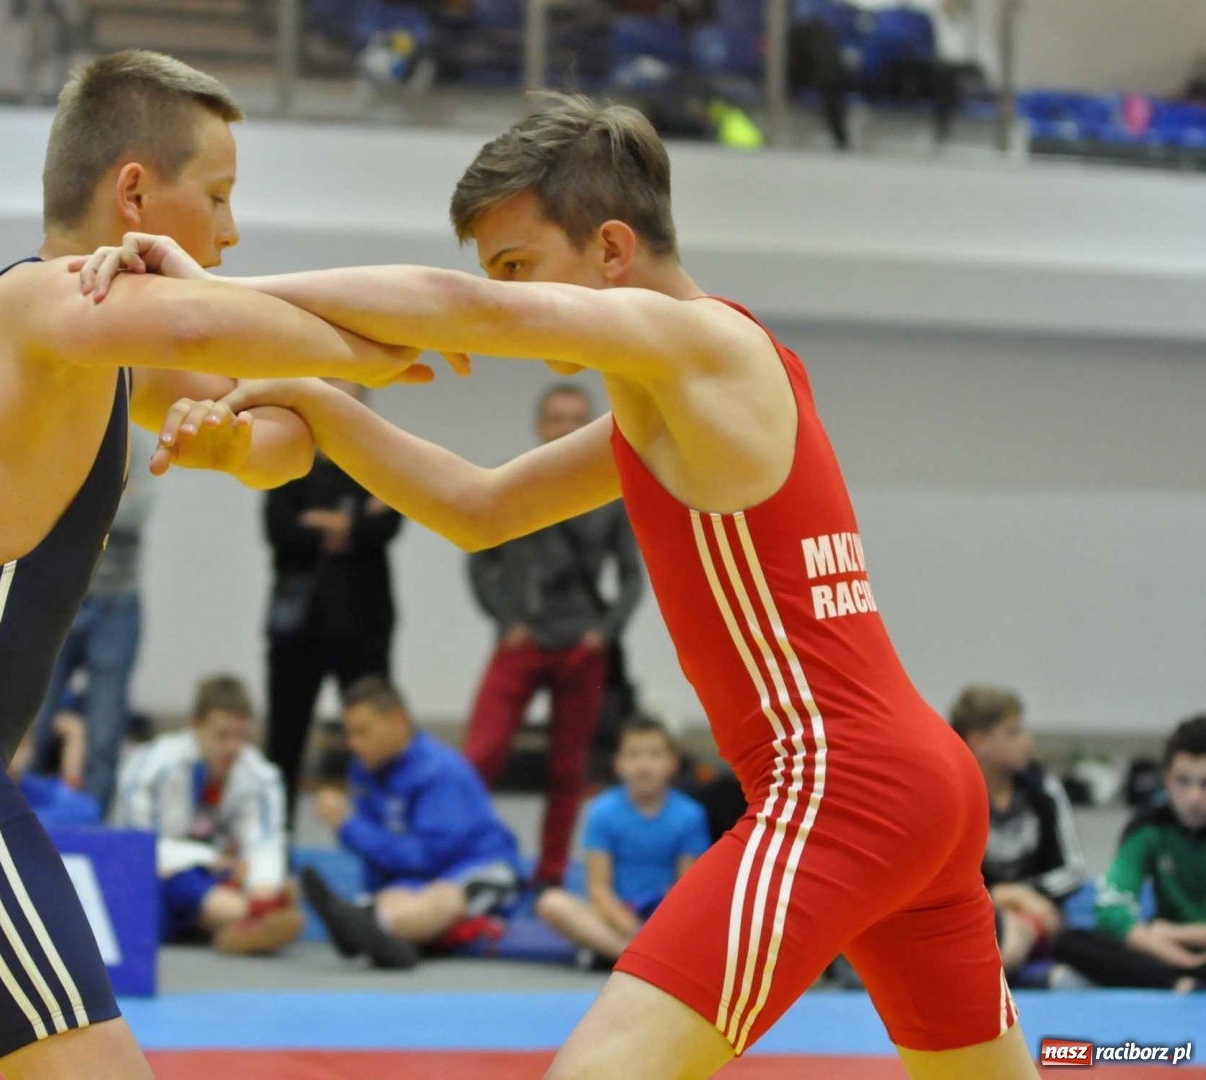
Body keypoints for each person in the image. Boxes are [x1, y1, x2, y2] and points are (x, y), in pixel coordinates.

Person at [98, 90, 1039, 1078]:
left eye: (518, 267)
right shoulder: (675, 393)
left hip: (837, 790)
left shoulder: (709, 344)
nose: (505, 298)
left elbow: (466, 314)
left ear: (614, 252)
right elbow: (481, 507)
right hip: (919, 783)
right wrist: (326, 410)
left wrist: (213, 298)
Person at [0, 51, 439, 1080]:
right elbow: (219, 321)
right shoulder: (35, 304)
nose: (232, 233)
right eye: (221, 197)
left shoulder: (104, 347)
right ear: (136, 193)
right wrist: (378, 344)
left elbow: (292, 423)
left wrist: (236, 441)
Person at [466, 381, 641, 887]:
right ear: (540, 426)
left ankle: (550, 872)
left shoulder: (613, 489)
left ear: (592, 427)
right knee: (480, 756)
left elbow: (632, 572)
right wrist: (505, 622)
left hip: (580, 645)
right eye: (557, 419)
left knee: (568, 771)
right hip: (521, 639)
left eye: (576, 419)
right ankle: (468, 860)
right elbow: (479, 555)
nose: (565, 428)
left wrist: (604, 633)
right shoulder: (514, 480)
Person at [300, 676, 523, 971]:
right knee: (395, 897)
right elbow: (379, 851)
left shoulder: (440, 771)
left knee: (444, 898)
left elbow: (427, 857)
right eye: (349, 733)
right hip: (421, 875)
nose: (353, 743)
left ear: (397, 720)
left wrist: (347, 826)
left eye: (363, 732)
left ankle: (370, 924)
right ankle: (385, 931)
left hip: (478, 866)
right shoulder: (365, 770)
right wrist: (383, 891)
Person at [263, 380, 403, 831]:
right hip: (297, 625)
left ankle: (378, 838)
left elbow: (390, 524)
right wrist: (354, 522)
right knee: (284, 740)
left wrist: (330, 524)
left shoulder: (380, 462)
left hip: (364, 622)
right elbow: (279, 529)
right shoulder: (288, 461)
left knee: (375, 738)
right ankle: (274, 844)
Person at [26, 422, 159, 818]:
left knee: (105, 722)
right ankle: (17, 809)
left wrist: (78, 500)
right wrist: (112, 496)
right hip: (61, 596)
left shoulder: (137, 444)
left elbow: (135, 513)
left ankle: (94, 819)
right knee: (33, 710)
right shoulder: (64, 434)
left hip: (117, 603)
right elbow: (39, 506)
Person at [114, 675, 302, 955]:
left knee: (273, 871)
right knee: (171, 886)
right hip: (161, 875)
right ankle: (252, 916)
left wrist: (262, 885)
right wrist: (207, 859)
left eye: (241, 736)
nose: (233, 747)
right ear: (194, 726)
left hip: (226, 875)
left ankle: (250, 915)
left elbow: (265, 842)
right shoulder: (151, 766)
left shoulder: (261, 776)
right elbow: (136, 848)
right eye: (222, 735)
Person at [536, 717, 710, 965]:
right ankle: (643, 959)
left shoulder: (690, 815)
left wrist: (662, 928)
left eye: (654, 754)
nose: (644, 764)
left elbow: (686, 888)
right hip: (615, 919)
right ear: (619, 764)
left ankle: (625, 955)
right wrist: (628, 926)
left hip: (664, 918)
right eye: (634, 755)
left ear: (672, 763)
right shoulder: (601, 811)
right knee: (551, 903)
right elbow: (598, 888)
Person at [1054, 715, 1206, 993]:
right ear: (1166, 780)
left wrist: (1174, 932)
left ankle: (1167, 981)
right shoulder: (1149, 826)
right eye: (1183, 782)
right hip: (1165, 952)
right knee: (1068, 941)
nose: (1194, 797)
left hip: (1173, 937)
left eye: (1205, 784)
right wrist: (1169, 949)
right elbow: (1110, 908)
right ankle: (1179, 982)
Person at [949, 686, 1086, 976]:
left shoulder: (1043, 790)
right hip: (972, 914)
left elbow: (1073, 869)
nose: (1027, 741)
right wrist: (999, 894)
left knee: (1023, 934)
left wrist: (1026, 893)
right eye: (1013, 733)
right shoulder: (950, 796)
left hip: (1039, 912)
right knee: (1007, 936)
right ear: (978, 741)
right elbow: (938, 877)